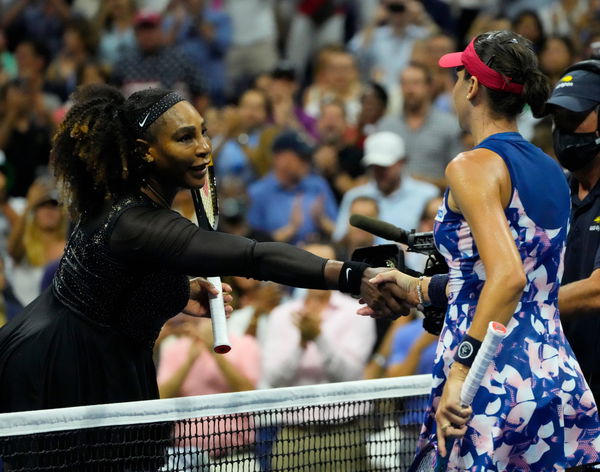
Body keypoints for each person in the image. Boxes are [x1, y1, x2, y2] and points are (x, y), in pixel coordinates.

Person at [0, 83, 399, 415]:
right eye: (184, 137)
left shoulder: (129, 206)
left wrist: (176, 292)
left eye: (203, 131)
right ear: (145, 151)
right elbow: (253, 256)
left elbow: (113, 289)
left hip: (101, 357)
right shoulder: (137, 222)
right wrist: (351, 274)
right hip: (57, 368)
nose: (204, 147)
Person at [361, 31, 600, 469]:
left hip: (488, 385)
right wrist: (417, 288)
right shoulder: (551, 169)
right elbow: (499, 282)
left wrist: (459, 372)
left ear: (470, 85)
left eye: (457, 76)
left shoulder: (470, 166)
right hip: (555, 379)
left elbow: (508, 278)